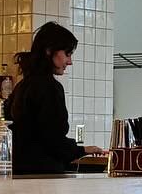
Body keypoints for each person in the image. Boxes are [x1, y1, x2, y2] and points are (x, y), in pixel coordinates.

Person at [7, 21, 101, 176]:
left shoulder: (21, 86)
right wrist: (81, 150)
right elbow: (52, 140)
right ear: (49, 51)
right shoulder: (50, 88)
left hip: (18, 173)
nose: (69, 62)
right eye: (67, 54)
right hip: (44, 175)